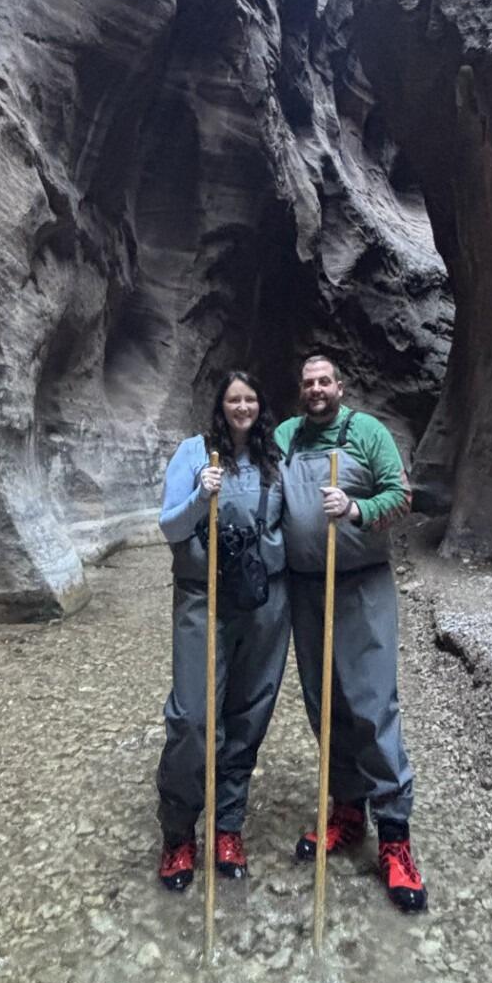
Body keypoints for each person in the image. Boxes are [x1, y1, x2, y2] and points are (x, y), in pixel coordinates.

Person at [276, 354, 427, 912]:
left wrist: (358, 508)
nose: (316, 389)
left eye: (325, 381)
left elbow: (402, 495)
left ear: (340, 387)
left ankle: (395, 838)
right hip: (307, 591)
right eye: (308, 382)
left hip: (361, 588)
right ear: (302, 389)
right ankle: (346, 810)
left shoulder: (367, 432)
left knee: (372, 705)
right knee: (326, 704)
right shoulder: (287, 435)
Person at [155, 370, 289, 890]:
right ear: (220, 404)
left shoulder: (274, 458)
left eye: (250, 398)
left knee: (249, 713)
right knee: (194, 719)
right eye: (234, 398)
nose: (242, 406)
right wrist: (197, 498)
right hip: (204, 598)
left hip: (262, 601)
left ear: (260, 405)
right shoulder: (193, 453)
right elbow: (168, 527)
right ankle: (179, 831)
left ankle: (228, 824)